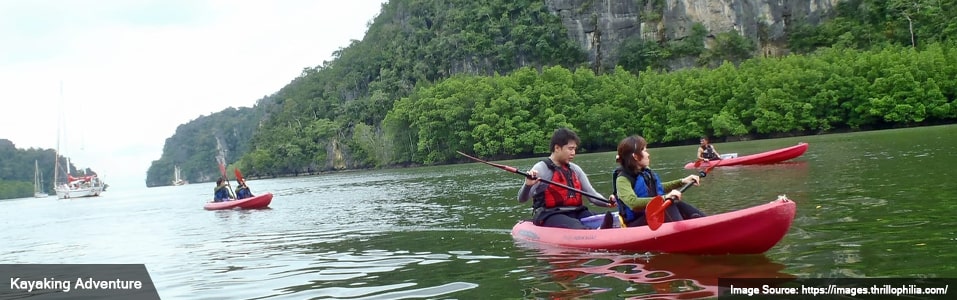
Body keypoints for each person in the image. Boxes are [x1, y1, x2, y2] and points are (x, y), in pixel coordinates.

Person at [517, 128, 616, 229]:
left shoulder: (575, 169)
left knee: (606, 217)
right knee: (574, 225)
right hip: (550, 215)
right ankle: (592, 233)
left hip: (576, 211)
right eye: (570, 148)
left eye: (574, 149)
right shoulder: (541, 169)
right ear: (557, 148)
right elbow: (522, 199)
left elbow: (592, 195)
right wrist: (528, 185)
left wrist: (609, 203)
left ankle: (605, 228)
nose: (573, 152)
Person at [613, 135, 706, 227]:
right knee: (667, 204)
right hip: (637, 224)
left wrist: (682, 181)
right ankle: (686, 233)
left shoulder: (644, 172)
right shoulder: (622, 179)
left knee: (674, 202)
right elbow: (633, 203)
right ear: (635, 156)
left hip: (653, 216)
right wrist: (665, 198)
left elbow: (658, 188)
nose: (648, 154)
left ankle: (703, 222)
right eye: (645, 151)